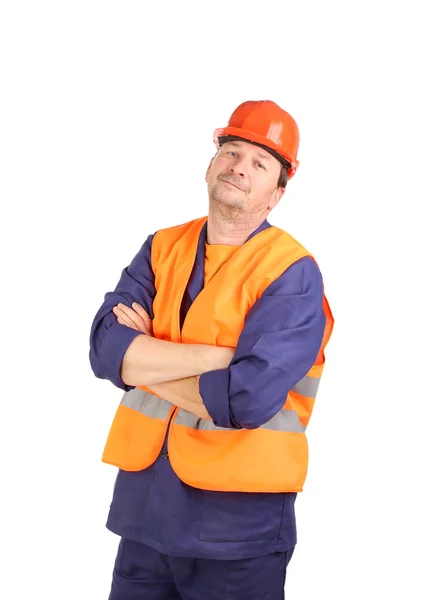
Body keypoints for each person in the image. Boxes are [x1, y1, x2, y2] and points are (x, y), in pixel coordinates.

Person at [89, 99, 334, 600]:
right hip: (145, 514)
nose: (239, 167)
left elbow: (245, 399)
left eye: (260, 163)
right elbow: (102, 349)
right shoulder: (162, 247)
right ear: (212, 162)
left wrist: (142, 360)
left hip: (237, 529)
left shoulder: (292, 272)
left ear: (277, 193)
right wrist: (216, 360)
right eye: (232, 150)